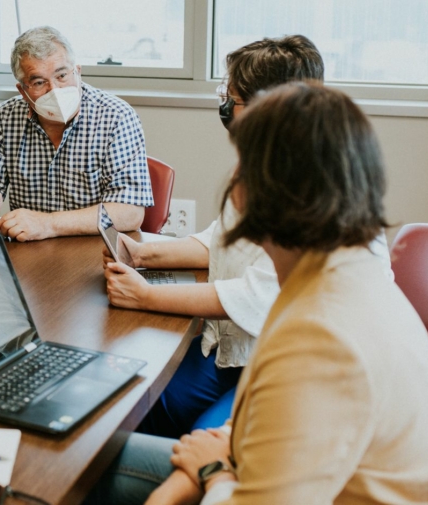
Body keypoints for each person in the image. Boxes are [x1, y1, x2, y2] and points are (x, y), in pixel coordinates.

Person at [88, 83, 428, 505]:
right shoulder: (342, 272)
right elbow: (268, 423)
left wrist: (210, 471)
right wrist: (199, 470)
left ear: (259, 191)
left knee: (86, 470)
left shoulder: (319, 336)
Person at [103, 36, 387, 439]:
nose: (225, 105)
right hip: (240, 347)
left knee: (198, 436)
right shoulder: (267, 163)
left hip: (294, 366)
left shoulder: (315, 188)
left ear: (265, 107)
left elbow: (258, 295)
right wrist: (144, 255)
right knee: (142, 404)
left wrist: (145, 296)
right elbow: (223, 239)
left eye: (231, 97)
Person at [0, 26, 153, 241]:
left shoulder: (115, 116)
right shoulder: (4, 118)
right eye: (39, 82)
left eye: (62, 75)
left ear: (77, 72)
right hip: (30, 249)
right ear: (23, 91)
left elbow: (130, 213)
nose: (54, 90)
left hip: (97, 248)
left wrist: (48, 224)